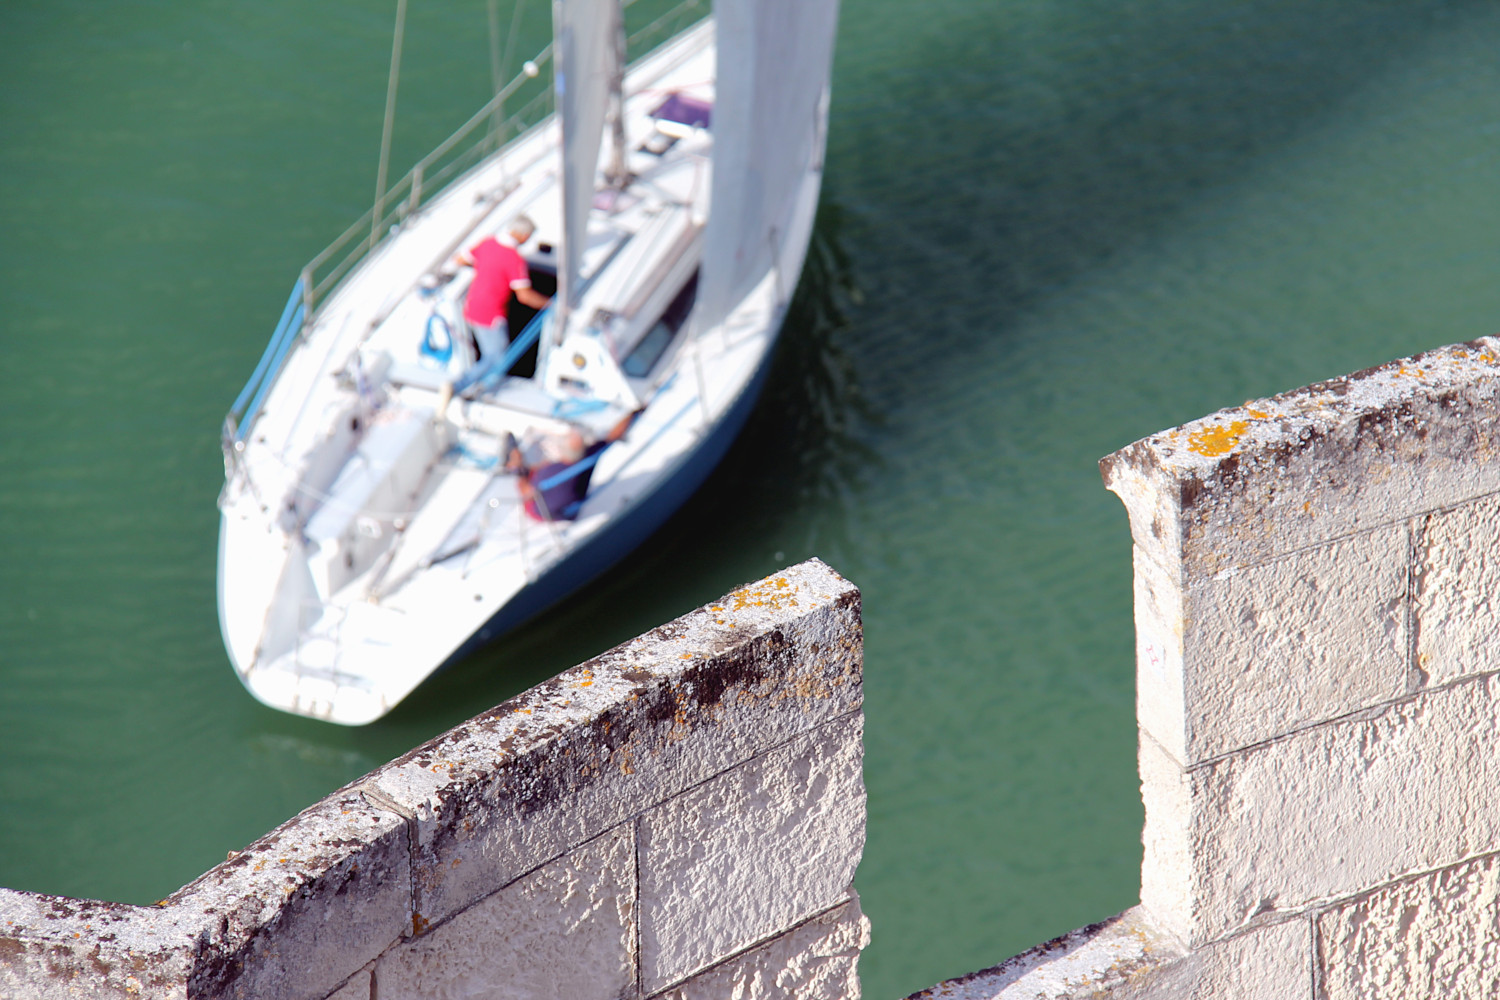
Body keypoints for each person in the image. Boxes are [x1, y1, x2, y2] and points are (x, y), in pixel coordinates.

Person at [503, 410, 640, 522]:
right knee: (528, 472)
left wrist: (521, 473)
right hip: (567, 507)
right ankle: (515, 461)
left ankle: (514, 462)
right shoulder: (588, 456)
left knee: (523, 473)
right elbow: (613, 435)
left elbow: (527, 492)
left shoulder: (549, 471)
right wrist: (633, 413)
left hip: (542, 512)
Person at [455, 216, 551, 361]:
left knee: (488, 352)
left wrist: (486, 268)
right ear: (524, 236)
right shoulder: (514, 259)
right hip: (490, 316)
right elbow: (524, 296)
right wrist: (550, 303)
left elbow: (460, 260)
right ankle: (460, 383)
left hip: (471, 307)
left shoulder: (487, 242)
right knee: (496, 357)